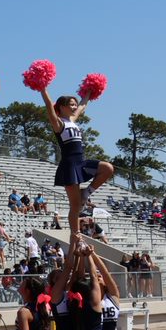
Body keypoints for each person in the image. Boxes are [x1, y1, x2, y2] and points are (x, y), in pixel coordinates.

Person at [38, 87, 115, 245]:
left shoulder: (72, 121)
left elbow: (83, 105)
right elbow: (48, 106)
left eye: (74, 104)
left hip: (82, 161)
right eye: (71, 104)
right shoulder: (59, 124)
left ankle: (86, 192)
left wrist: (90, 90)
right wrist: (43, 88)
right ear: (61, 107)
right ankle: (76, 235)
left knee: (108, 168)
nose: (74, 107)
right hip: (69, 165)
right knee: (75, 206)